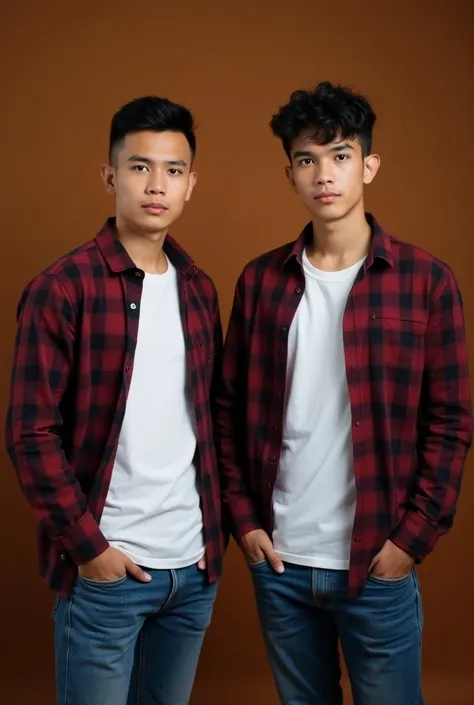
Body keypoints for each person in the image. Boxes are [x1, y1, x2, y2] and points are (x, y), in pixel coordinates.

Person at [215, 80, 473, 705]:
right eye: (307, 159)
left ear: (369, 165)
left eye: (340, 155)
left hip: (377, 562)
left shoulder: (426, 282)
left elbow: (452, 420)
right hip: (280, 562)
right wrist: (244, 524)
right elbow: (225, 411)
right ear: (290, 173)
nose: (323, 174)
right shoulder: (261, 282)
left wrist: (411, 540)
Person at [5, 95, 225, 705]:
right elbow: (30, 433)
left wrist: (216, 540)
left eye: (173, 170)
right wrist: (89, 549)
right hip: (109, 569)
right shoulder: (62, 289)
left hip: (193, 567)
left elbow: (210, 423)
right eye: (139, 167)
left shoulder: (199, 291)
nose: (157, 185)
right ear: (110, 176)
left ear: (190, 185)